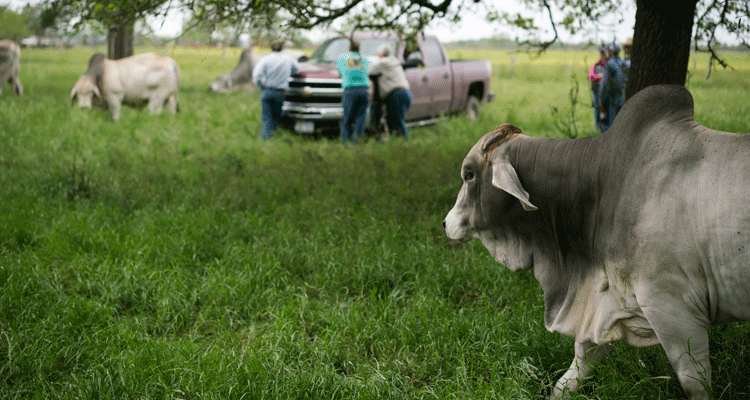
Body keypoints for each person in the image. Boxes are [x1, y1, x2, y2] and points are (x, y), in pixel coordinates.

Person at [252, 40, 300, 139]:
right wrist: (287, 74)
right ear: (282, 48)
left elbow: (256, 76)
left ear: (271, 48)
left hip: (267, 90)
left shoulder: (266, 59)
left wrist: (261, 86)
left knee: (266, 116)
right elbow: (297, 69)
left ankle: (266, 136)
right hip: (281, 91)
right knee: (276, 115)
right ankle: (272, 134)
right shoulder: (288, 58)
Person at [369, 43, 413, 140]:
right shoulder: (395, 61)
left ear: (380, 54)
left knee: (398, 123)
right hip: (406, 93)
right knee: (396, 121)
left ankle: (403, 145)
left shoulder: (383, 62)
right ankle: (398, 144)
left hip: (396, 95)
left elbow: (370, 71)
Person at [337, 39, 370, 145]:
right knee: (360, 119)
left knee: (347, 119)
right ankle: (357, 143)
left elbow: (340, 73)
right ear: (359, 48)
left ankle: (345, 144)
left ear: (349, 47)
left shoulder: (342, 58)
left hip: (350, 90)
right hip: (364, 90)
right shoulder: (364, 59)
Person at [598, 43, 627, 132]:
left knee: (610, 125)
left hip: (611, 97)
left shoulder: (609, 63)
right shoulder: (623, 62)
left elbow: (604, 84)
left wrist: (601, 101)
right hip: (622, 96)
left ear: (612, 52)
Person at [588, 46, 608, 132]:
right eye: (601, 54)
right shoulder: (596, 65)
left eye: (603, 54)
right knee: (597, 108)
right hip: (596, 91)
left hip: (606, 91)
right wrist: (599, 77)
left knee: (605, 109)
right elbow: (591, 77)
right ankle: (598, 127)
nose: (602, 55)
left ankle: (605, 127)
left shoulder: (609, 65)